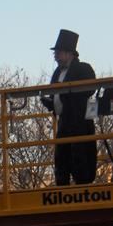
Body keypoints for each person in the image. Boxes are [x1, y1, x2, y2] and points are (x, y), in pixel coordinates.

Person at [41, 29, 97, 185]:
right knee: (62, 157)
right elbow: (55, 94)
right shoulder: (57, 72)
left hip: (79, 120)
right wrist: (49, 102)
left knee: (81, 156)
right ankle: (62, 186)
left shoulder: (83, 69)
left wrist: (66, 91)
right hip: (64, 120)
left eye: (58, 52)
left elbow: (89, 89)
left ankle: (83, 185)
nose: (55, 55)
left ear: (69, 53)